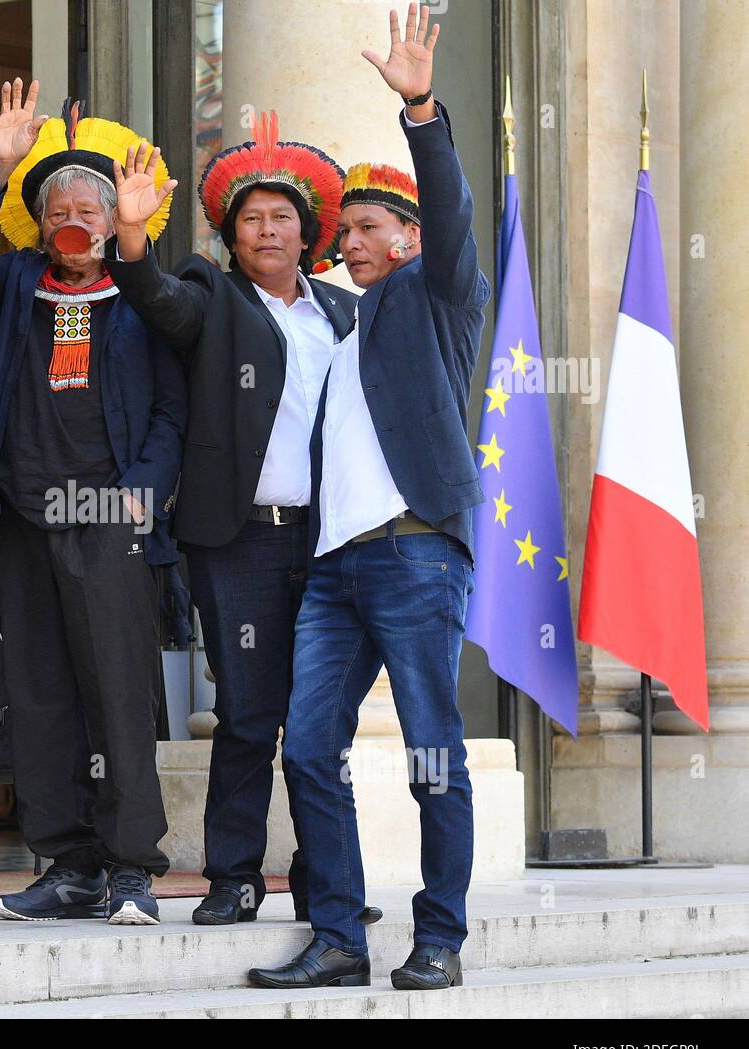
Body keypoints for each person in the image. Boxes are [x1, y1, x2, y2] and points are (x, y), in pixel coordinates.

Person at [248, 3, 490, 990]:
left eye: (365, 229)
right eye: (340, 230)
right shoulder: (340, 332)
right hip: (335, 570)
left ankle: (440, 934)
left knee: (432, 751)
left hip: (414, 552)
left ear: (407, 241)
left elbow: (452, 209)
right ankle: (340, 934)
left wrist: (420, 110)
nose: (346, 241)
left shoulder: (434, 298)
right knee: (306, 748)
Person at [106, 106, 374, 927]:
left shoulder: (343, 314)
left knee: (321, 724)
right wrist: (131, 231)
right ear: (231, 234)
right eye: (251, 218)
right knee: (251, 714)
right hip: (242, 542)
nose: (267, 230)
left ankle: (328, 885)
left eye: (282, 218)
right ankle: (234, 879)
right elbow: (152, 297)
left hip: (331, 542)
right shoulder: (209, 296)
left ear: (308, 234)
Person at [0, 78, 187, 925]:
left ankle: (128, 868)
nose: (71, 221)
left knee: (116, 693)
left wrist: (138, 501)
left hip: (108, 521)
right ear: (39, 223)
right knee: (37, 694)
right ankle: (67, 861)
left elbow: (168, 415)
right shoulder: (16, 285)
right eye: (57, 209)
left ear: (116, 218)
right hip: (24, 518)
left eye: (90, 207)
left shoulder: (145, 294)